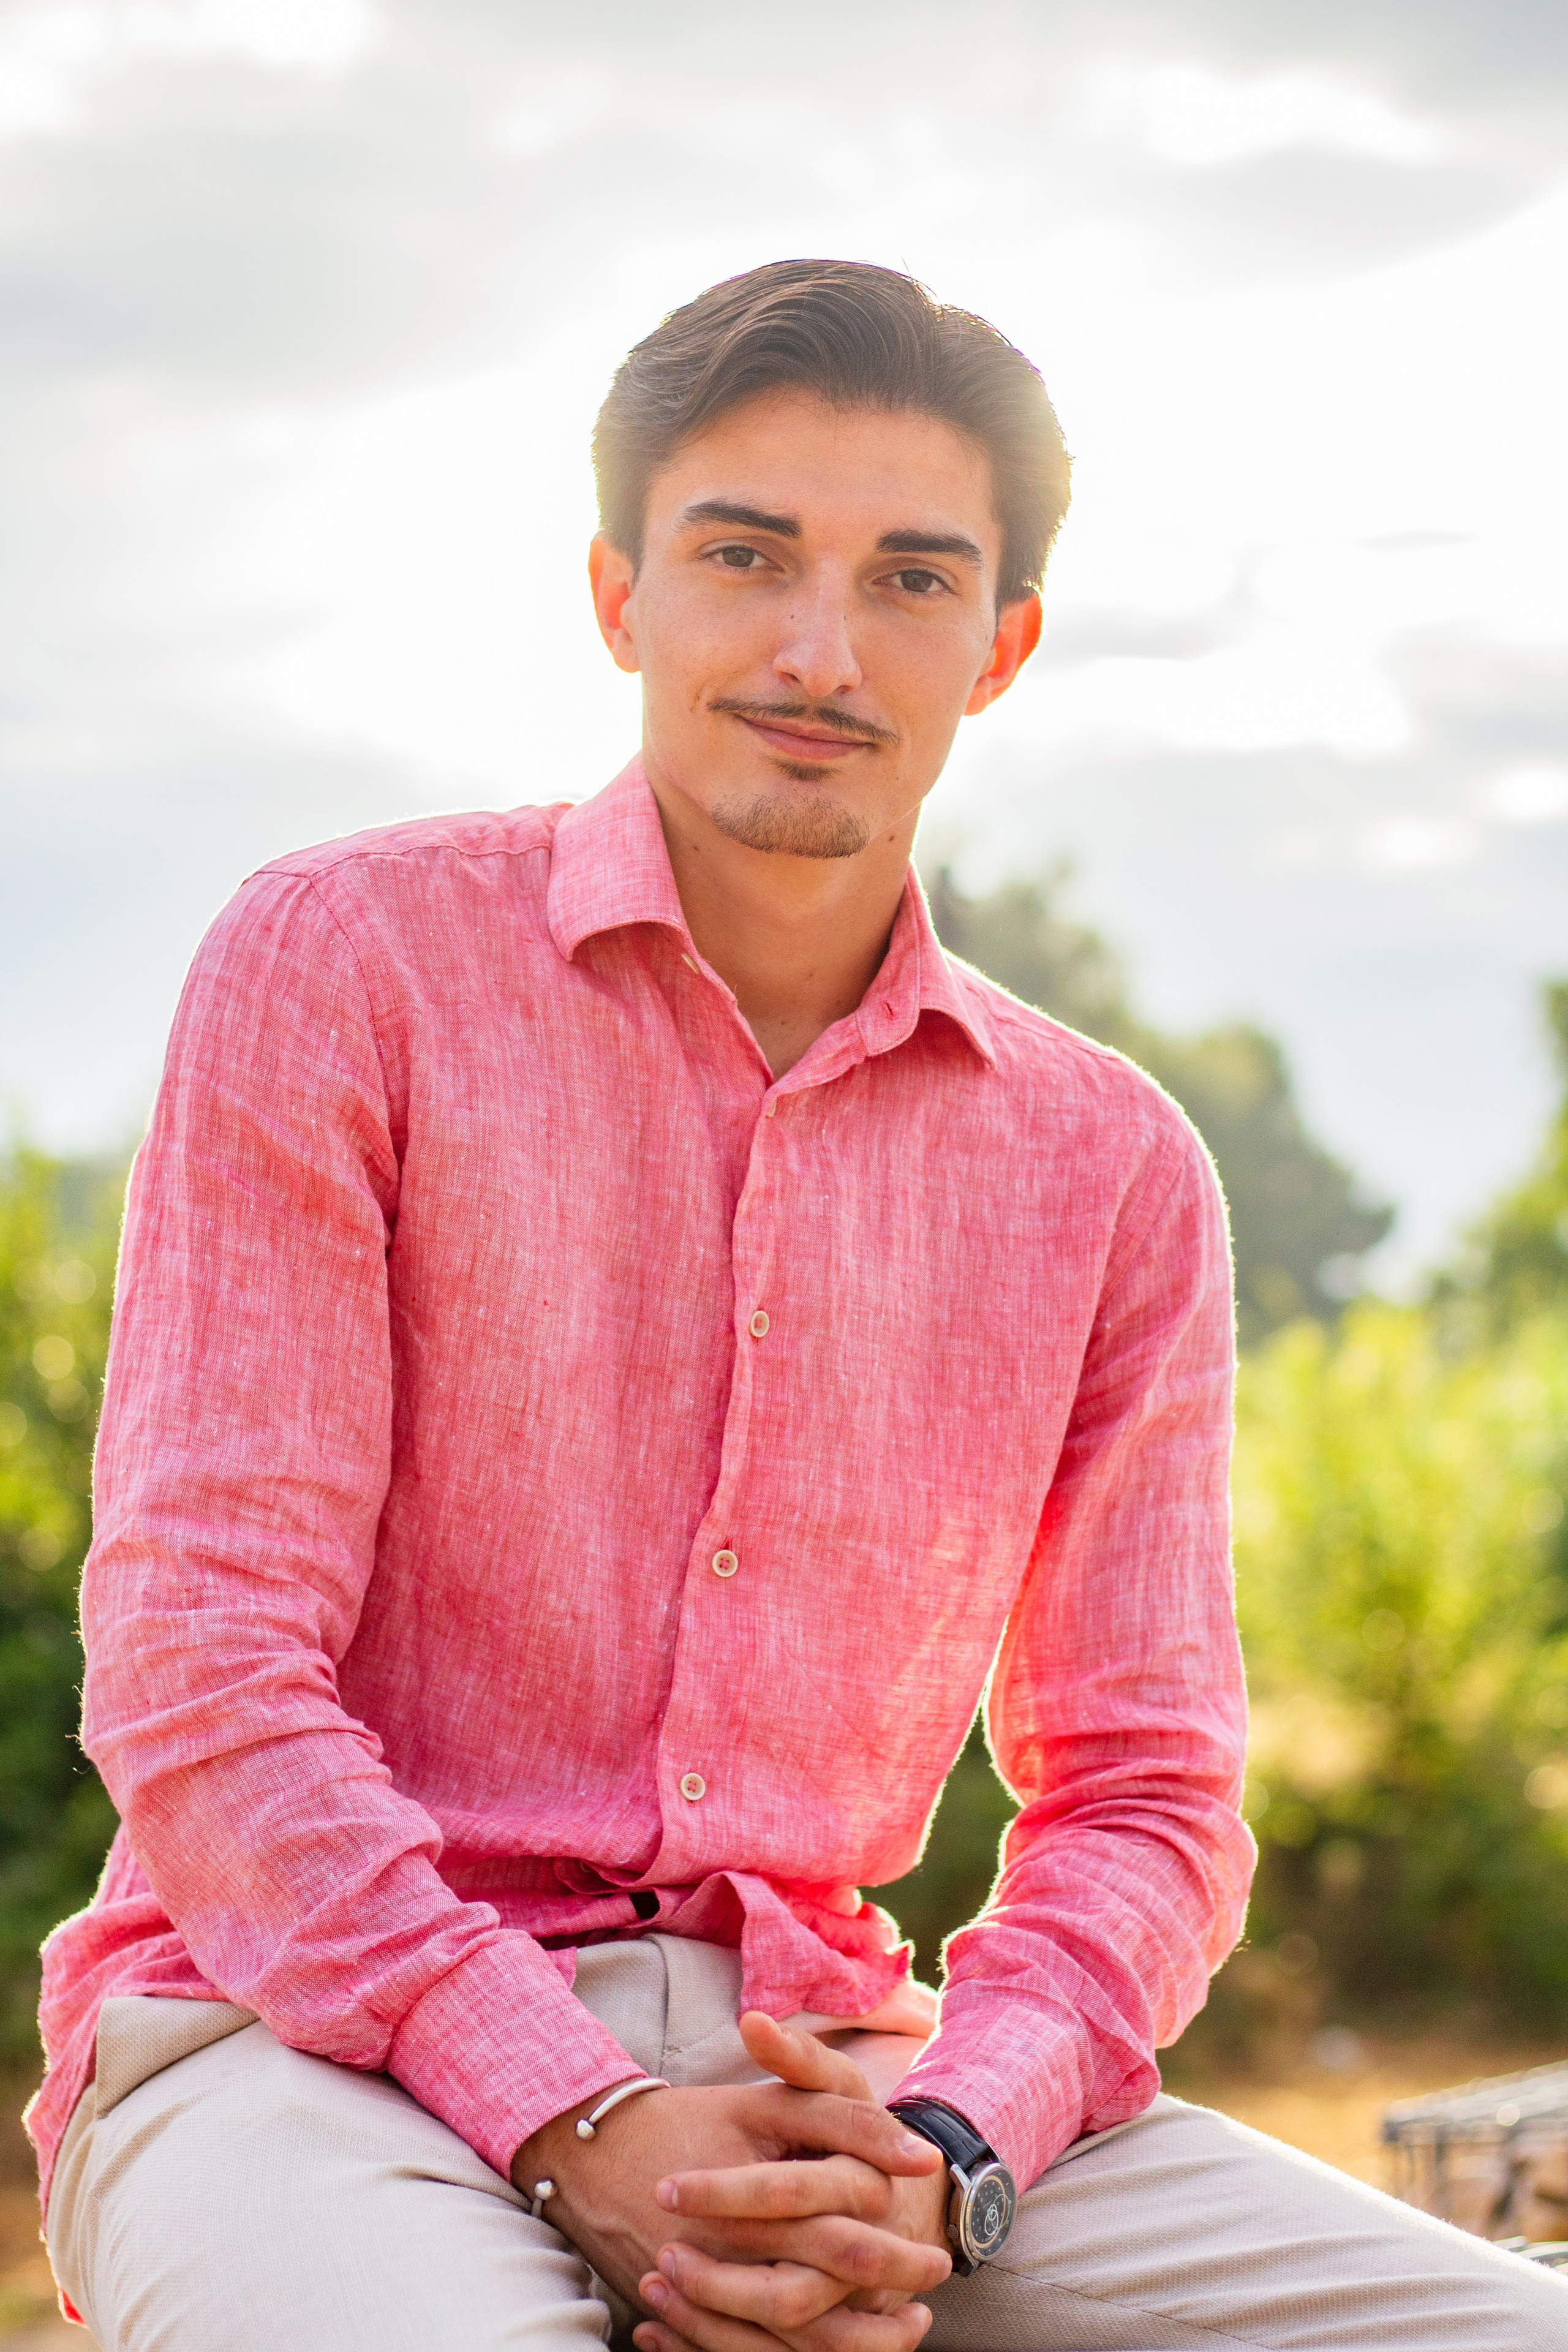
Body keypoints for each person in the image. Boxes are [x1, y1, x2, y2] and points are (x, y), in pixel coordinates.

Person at [28, 259, 1568, 2352]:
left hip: (844, 2071)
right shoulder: (341, 970)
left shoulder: (1109, 1170)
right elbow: (202, 1666)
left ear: (1002, 645)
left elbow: (1146, 1794)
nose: (822, 651)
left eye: (913, 580)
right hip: (301, 2044)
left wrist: (957, 2142)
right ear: (619, 595)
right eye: (747, 556)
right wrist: (572, 2109)